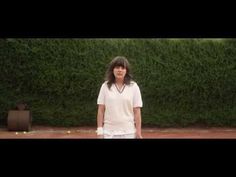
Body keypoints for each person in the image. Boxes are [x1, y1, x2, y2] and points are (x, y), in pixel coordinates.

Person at [96, 56, 143, 139]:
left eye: (123, 68)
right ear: (112, 70)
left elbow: (137, 111)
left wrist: (138, 132)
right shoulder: (105, 86)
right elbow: (101, 109)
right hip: (108, 133)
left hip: (129, 133)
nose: (120, 70)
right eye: (117, 67)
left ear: (126, 71)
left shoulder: (134, 86)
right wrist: (100, 131)